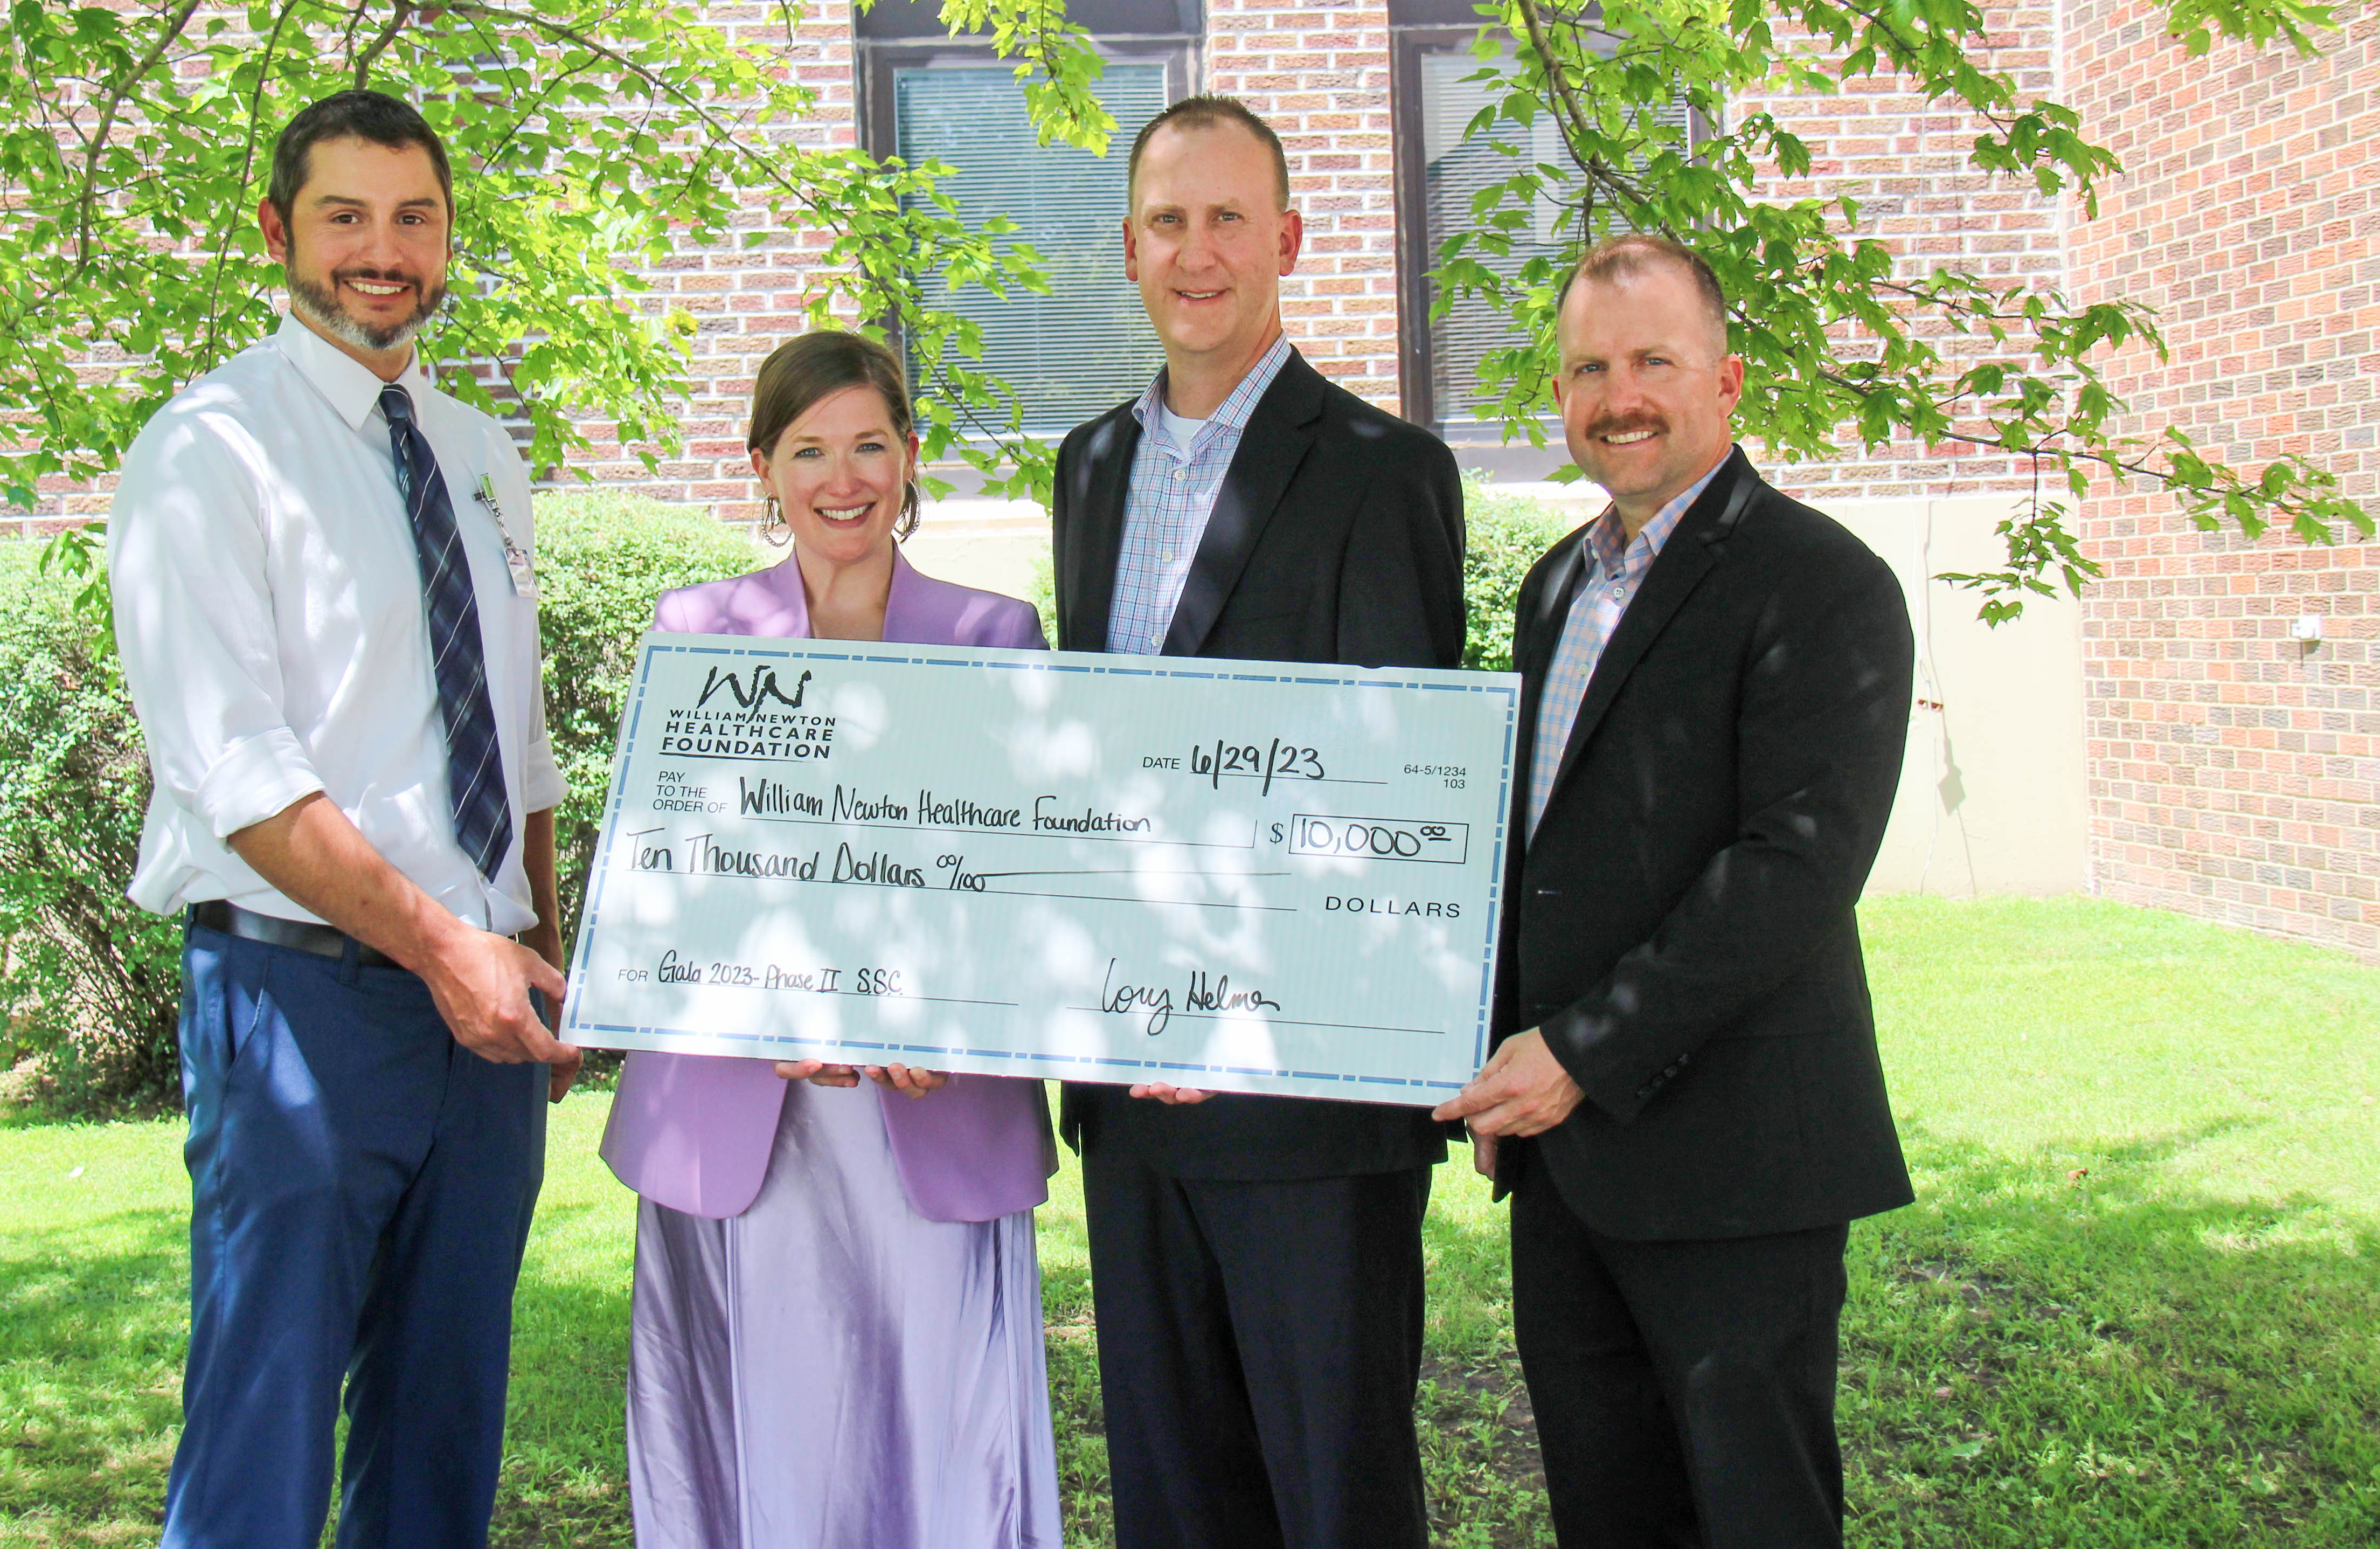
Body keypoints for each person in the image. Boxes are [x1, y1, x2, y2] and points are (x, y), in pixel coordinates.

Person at [109, 88, 581, 1549]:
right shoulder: (208, 451)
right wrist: (453, 950)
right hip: (298, 1004)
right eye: (346, 216)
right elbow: (239, 771)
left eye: (414, 217)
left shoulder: (481, 449)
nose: (383, 250)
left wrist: (538, 946)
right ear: (277, 231)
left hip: (485, 1026)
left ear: (447, 241)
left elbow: (519, 733)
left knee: (442, 1435)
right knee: (261, 1432)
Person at [1434, 233, 1916, 1547]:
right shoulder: (1554, 588)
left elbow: (1793, 868)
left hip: (1737, 1167)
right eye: (1588, 367)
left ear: (1727, 380)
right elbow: (1537, 856)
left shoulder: (1821, 584)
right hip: (1569, 1171)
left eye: (1653, 359)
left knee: (1755, 1516)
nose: (1618, 393)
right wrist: (1495, 1056)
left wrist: (1576, 1051)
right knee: (1608, 1514)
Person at [1049, 95, 1467, 1548]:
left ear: (1285, 239)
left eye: (1229, 217)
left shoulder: (1381, 470)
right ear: (1130, 248)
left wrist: (1222, 997)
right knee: (1173, 1503)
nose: (1198, 250)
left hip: (1304, 1104)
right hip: (1130, 1102)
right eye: (1169, 220)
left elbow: (1391, 797)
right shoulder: (1089, 465)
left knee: (1332, 1497)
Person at [599, 329, 1063, 1548]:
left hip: (932, 1111)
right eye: (809, 449)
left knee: (943, 1434)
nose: (841, 477)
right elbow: (662, 877)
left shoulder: (994, 634)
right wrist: (759, 1009)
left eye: (869, 444)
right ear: (762, 467)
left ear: (911, 462)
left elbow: (1027, 879)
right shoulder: (694, 629)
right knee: (758, 1438)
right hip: (737, 1123)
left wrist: (953, 1014)